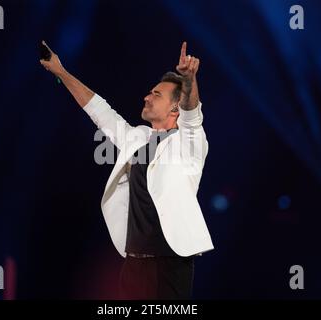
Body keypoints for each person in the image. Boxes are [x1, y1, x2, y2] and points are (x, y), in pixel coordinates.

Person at [40, 41, 214, 299]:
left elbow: (192, 116)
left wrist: (188, 79)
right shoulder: (137, 138)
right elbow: (100, 111)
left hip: (169, 263)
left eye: (156, 94)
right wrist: (61, 72)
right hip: (133, 264)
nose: (147, 96)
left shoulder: (189, 143)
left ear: (175, 108)